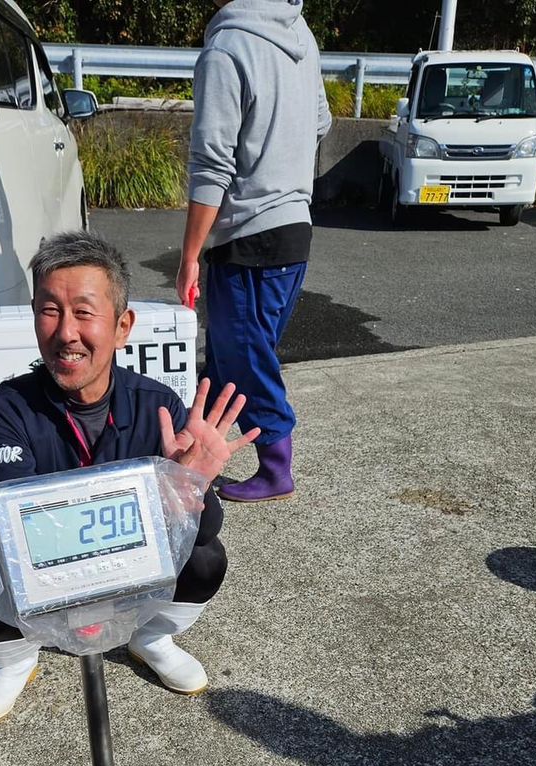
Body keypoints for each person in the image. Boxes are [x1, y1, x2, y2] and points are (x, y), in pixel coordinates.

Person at [0, 230, 257, 725]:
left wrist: (188, 487)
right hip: (49, 572)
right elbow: (16, 530)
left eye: (84, 311)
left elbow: (200, 533)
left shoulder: (160, 405)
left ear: (122, 326)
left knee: (207, 558)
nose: (65, 332)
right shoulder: (2, 411)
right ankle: (15, 662)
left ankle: (150, 637)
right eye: (49, 310)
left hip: (134, 569)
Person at [176, 0, 331, 503]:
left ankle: (276, 469)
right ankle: (196, 450)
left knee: (244, 356)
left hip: (248, 235)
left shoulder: (226, 48)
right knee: (226, 356)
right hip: (294, 229)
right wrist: (284, 163)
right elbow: (322, 121)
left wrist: (189, 257)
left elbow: (212, 163)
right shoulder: (300, 33)